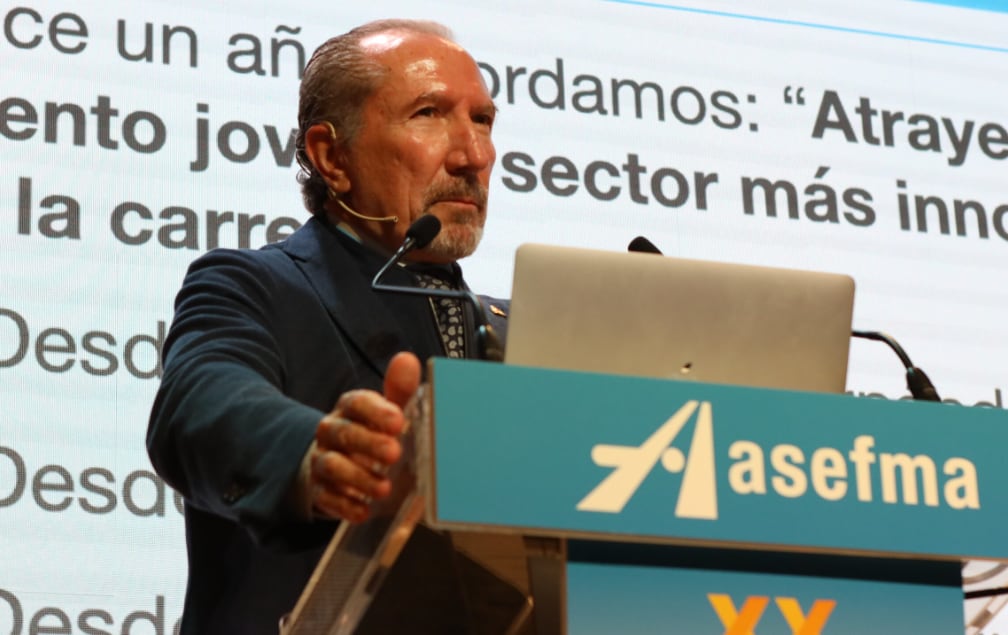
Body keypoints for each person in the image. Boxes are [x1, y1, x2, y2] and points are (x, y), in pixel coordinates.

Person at [147, 19, 508, 634]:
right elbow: (199, 401)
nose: (474, 155)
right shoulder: (254, 286)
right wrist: (310, 455)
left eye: (482, 120)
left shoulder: (517, 333)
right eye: (428, 114)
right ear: (331, 157)